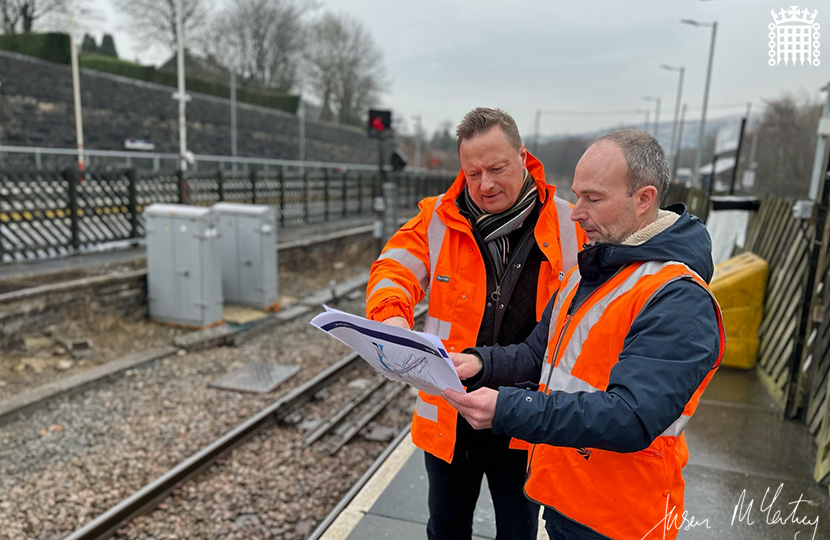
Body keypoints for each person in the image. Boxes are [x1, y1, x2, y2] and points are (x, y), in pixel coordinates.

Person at [443, 129, 724, 540]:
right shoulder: (587, 275)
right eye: (577, 196)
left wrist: (508, 409)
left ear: (644, 199)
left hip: (621, 521)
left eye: (593, 198)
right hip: (569, 501)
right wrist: (479, 362)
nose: (575, 212)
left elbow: (630, 416)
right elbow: (538, 354)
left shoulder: (678, 297)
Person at [366, 107, 584, 540]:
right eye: (473, 173)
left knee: (519, 531)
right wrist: (392, 317)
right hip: (452, 413)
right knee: (445, 528)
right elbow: (393, 268)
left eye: (497, 168)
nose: (485, 184)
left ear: (523, 156)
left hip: (528, 417)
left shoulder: (568, 223)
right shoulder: (437, 219)